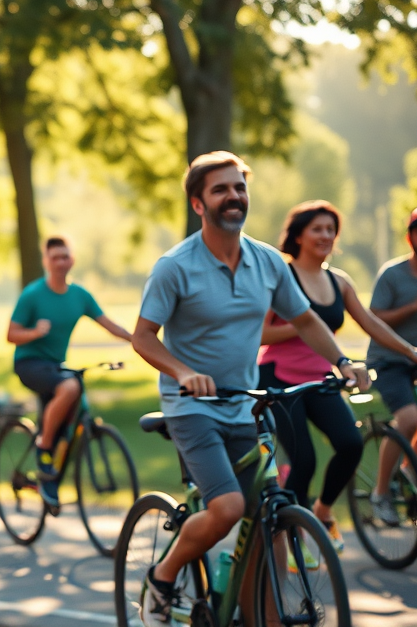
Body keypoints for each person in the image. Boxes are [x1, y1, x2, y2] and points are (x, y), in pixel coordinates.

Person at [132, 152, 369, 627]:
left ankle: (260, 616)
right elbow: (142, 337)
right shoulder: (175, 266)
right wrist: (182, 372)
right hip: (191, 407)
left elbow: (304, 319)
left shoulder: (266, 261)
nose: (233, 196)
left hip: (244, 405)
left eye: (239, 187)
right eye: (220, 189)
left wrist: (342, 361)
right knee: (229, 507)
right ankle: (162, 575)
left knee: (271, 518)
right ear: (199, 204)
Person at [257, 201, 417, 552]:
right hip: (278, 379)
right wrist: (303, 325)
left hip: (321, 377)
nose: (325, 236)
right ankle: (294, 535)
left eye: (331, 230)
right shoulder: (281, 277)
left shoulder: (339, 281)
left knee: (350, 446)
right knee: (303, 461)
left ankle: (321, 512)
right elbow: (260, 334)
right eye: (317, 229)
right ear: (299, 236)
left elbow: (370, 322)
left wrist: (411, 352)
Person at [7, 235, 132, 507]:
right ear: (46, 261)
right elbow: (11, 334)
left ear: (72, 260)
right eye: (55, 258)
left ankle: (49, 478)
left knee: (75, 405)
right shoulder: (33, 294)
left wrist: (137, 339)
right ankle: (43, 446)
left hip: (56, 366)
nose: (61, 262)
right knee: (70, 387)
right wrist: (34, 332)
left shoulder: (80, 296)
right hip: (29, 364)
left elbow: (108, 323)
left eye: (65, 257)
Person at [365, 205, 417, 524]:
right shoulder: (392, 274)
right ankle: (381, 493)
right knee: (408, 420)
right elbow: (374, 318)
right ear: (411, 237)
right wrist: (415, 305)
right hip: (389, 360)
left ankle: (408, 467)